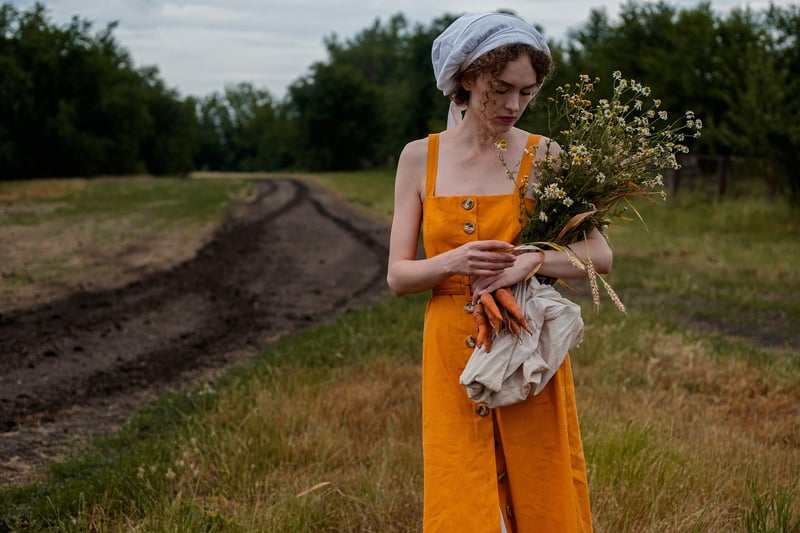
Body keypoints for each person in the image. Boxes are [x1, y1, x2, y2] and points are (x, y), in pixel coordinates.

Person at [386, 12, 613, 532]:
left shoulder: (546, 156)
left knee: (541, 478)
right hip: (449, 345)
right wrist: (455, 261)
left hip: (524, 343)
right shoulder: (419, 159)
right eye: (501, 88)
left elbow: (600, 256)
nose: (513, 105)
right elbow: (398, 277)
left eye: (526, 92)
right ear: (466, 79)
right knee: (460, 484)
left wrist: (533, 260)